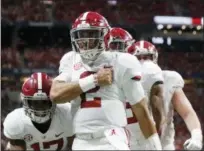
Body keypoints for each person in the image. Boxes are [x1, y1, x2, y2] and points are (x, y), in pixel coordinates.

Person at [50, 11, 162, 150]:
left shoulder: (121, 60)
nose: (85, 40)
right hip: (81, 140)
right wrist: (94, 79)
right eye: (81, 35)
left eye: (91, 34)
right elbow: (55, 94)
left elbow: (141, 109)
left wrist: (155, 144)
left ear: (105, 36)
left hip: (111, 137)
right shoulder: (70, 59)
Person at [129, 40, 203, 150]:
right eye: (138, 57)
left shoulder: (169, 79)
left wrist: (197, 136)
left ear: (155, 58)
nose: (143, 61)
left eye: (147, 57)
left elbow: (187, 113)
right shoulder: (124, 82)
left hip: (163, 146)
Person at [3, 72, 74, 150]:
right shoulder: (15, 121)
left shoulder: (67, 113)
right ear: (24, 101)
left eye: (45, 102)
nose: (40, 108)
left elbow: (75, 146)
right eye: (35, 103)